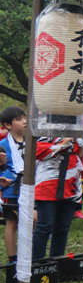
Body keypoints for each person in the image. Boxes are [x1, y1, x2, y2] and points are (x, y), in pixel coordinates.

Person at [32, 134, 83, 260]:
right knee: (45, 225)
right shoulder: (45, 130)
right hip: (48, 181)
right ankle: (37, 264)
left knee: (63, 227)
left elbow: (81, 155)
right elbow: (36, 151)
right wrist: (62, 145)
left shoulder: (76, 130)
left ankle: (57, 263)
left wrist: (82, 143)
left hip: (71, 181)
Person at [0, 107, 27, 263]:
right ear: (7, 125)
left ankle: (26, 253)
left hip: (31, 188)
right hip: (11, 189)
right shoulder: (3, 145)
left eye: (24, 118)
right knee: (12, 223)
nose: (24, 121)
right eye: (19, 119)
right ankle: (12, 258)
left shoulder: (32, 141)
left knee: (33, 219)